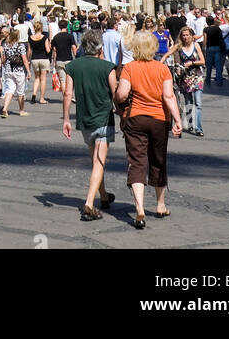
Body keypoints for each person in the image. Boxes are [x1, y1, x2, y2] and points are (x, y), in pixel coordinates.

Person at [115, 30, 183, 228]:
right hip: (159, 120)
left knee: (137, 162)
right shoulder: (162, 69)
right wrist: (178, 120)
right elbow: (169, 97)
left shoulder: (129, 68)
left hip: (135, 118)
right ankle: (160, 204)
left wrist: (120, 96)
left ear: (135, 48)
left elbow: (121, 94)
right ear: (154, 47)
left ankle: (140, 210)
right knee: (158, 159)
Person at [62, 28, 119, 220]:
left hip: (84, 119)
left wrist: (65, 119)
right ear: (100, 48)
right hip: (103, 118)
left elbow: (67, 93)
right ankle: (89, 203)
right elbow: (116, 94)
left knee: (96, 161)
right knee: (99, 162)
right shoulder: (108, 67)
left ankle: (104, 196)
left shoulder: (73, 66)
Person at [169, 26, 206, 135]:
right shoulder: (179, 47)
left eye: (187, 35)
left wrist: (192, 63)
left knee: (198, 103)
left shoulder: (196, 45)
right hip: (185, 78)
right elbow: (170, 54)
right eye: (183, 35)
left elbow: (203, 61)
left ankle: (199, 128)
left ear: (191, 36)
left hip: (197, 77)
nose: (185, 37)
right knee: (189, 102)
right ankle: (190, 125)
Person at [0, 28, 30, 118]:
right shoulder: (20, 46)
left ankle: (5, 108)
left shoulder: (6, 45)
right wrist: (28, 71)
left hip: (8, 70)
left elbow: (4, 60)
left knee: (9, 90)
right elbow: (24, 59)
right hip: (19, 71)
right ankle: (21, 111)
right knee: (20, 92)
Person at [28, 19, 51, 104]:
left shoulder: (30, 38)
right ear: (41, 28)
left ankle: (34, 94)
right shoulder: (44, 37)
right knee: (43, 79)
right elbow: (48, 50)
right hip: (44, 59)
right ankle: (42, 98)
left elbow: (29, 51)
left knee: (37, 78)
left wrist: (28, 60)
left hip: (34, 59)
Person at [50, 20, 77, 92]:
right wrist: (76, 56)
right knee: (70, 80)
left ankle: (65, 96)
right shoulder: (70, 36)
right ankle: (69, 95)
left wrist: (54, 62)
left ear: (59, 26)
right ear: (67, 26)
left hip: (59, 60)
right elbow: (74, 47)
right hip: (68, 59)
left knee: (62, 80)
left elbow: (54, 50)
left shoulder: (56, 37)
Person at [203, 16, 226, 87]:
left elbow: (205, 39)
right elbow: (221, 38)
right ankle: (219, 81)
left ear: (207, 22)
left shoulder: (206, 29)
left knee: (209, 65)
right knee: (218, 65)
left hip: (210, 48)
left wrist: (203, 48)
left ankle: (208, 80)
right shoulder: (218, 28)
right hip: (218, 47)